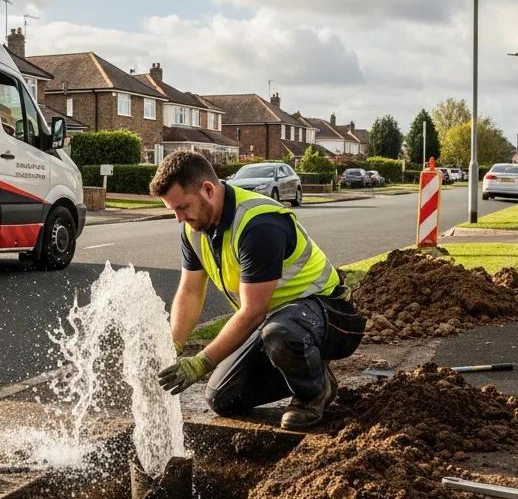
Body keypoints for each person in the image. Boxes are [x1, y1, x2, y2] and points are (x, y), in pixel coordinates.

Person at [149, 151, 365, 429]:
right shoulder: (194, 229)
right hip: (276, 324)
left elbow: (253, 311)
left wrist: (201, 362)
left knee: (281, 333)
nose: (179, 218)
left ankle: (314, 392)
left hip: (331, 318)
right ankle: (307, 366)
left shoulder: (259, 223)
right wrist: (173, 346)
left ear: (207, 190)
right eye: (173, 210)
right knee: (222, 398)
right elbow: (190, 293)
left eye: (183, 207)